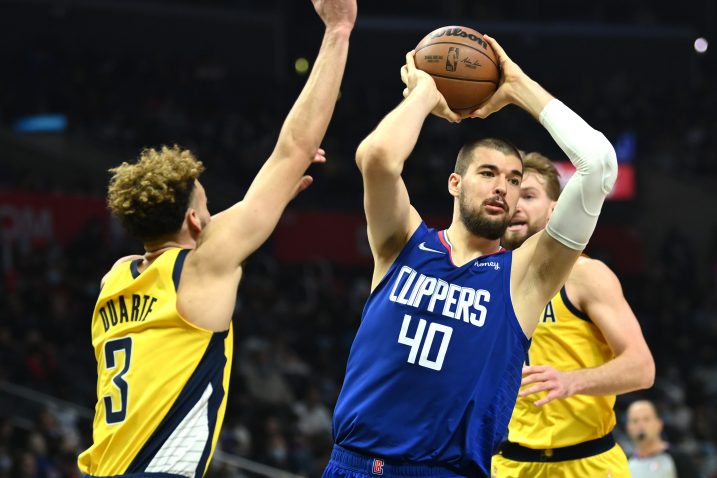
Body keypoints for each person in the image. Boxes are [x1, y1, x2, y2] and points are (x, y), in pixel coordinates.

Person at [76, 0, 357, 476]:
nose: (213, 214)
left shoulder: (114, 280)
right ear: (193, 221)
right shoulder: (200, 268)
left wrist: (266, 205)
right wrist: (339, 30)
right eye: (207, 205)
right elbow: (295, 149)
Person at [323, 32, 618, 478]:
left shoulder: (525, 277)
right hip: (350, 463)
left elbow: (598, 165)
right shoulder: (402, 241)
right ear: (454, 184)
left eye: (515, 180)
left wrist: (517, 87)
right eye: (487, 173)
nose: (502, 186)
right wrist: (424, 94)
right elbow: (378, 157)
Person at [490, 152, 655, 477]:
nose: (516, 204)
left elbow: (642, 367)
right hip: (509, 464)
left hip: (587, 463)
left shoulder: (585, 274)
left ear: (555, 209)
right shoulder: (486, 278)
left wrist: (572, 381)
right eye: (510, 194)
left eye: (528, 195)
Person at [626, 400, 701, 478]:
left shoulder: (679, 459)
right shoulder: (625, 463)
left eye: (646, 419)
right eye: (635, 421)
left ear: (659, 424)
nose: (640, 425)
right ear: (628, 428)